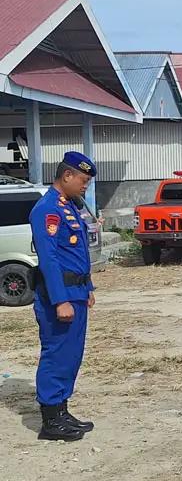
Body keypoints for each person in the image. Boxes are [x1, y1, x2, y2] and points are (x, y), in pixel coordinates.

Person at [29, 152, 98, 442]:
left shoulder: (69, 207)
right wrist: (60, 300)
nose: (86, 187)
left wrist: (89, 287)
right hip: (60, 297)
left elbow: (78, 252)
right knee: (57, 355)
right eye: (83, 181)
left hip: (77, 292)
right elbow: (50, 259)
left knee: (71, 356)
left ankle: (62, 410)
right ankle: (50, 420)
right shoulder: (47, 210)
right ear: (67, 176)